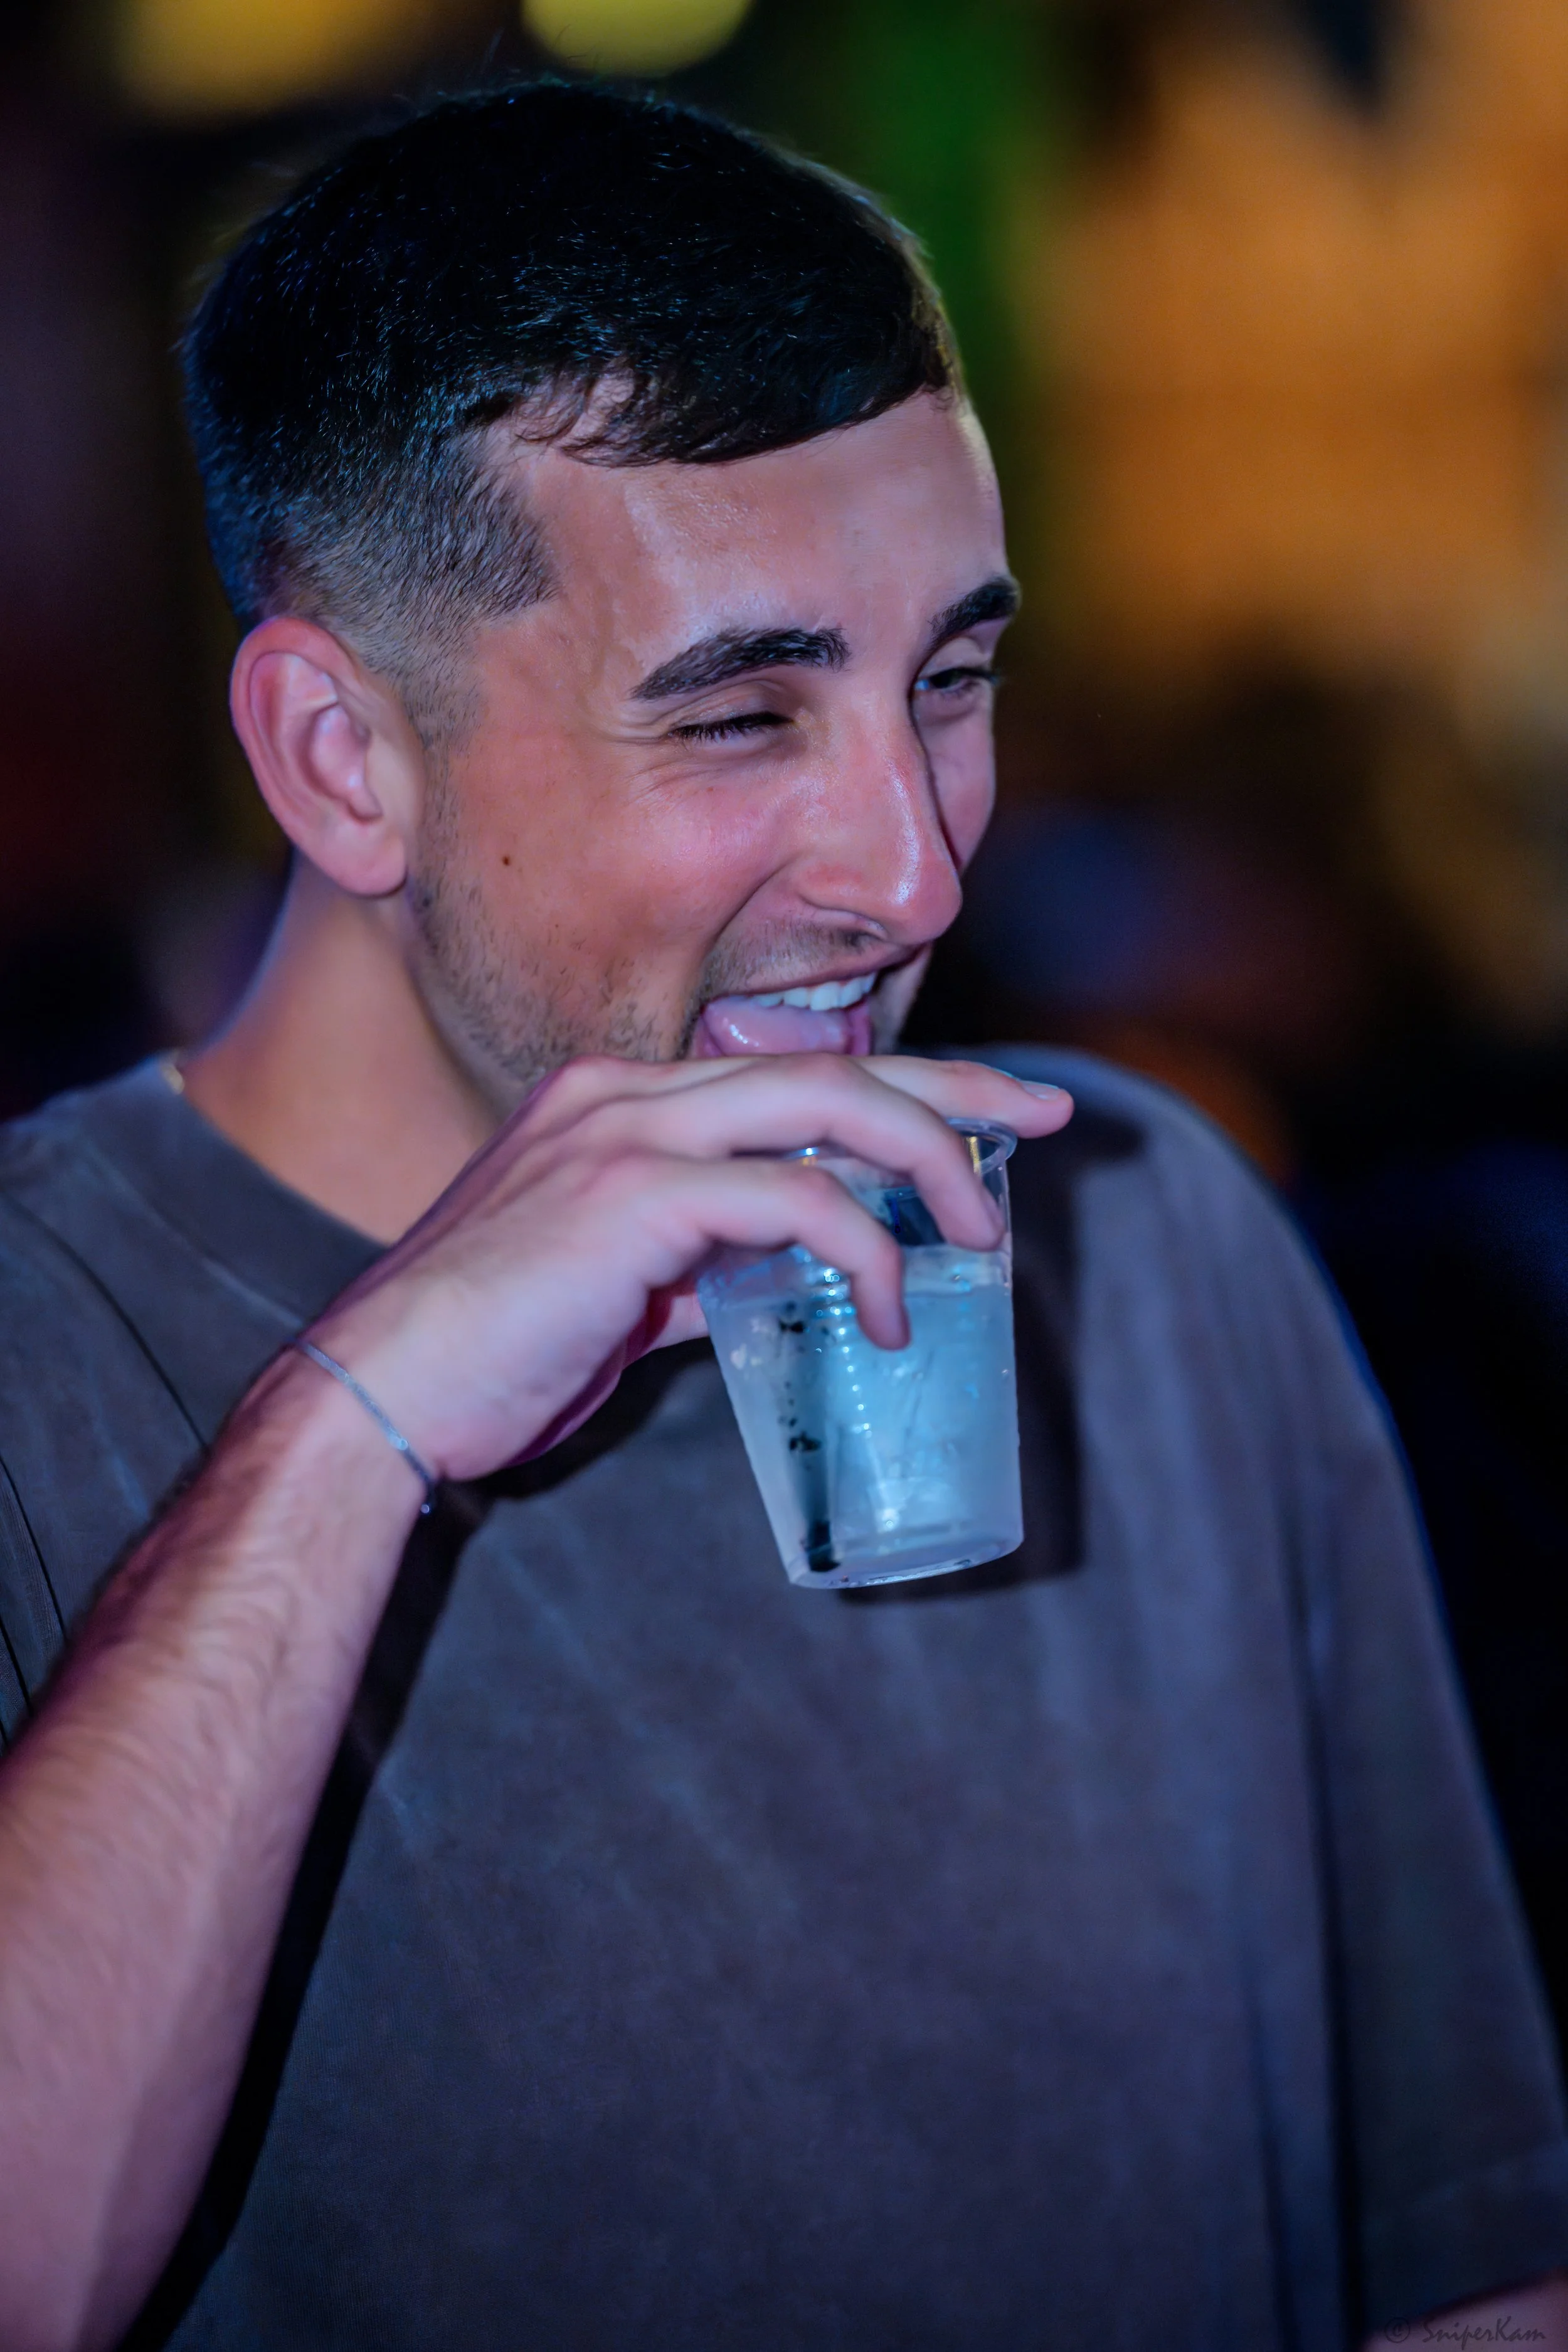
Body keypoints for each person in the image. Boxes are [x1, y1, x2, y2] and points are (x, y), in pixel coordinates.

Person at [0, 82, 1564, 2352]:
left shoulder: (1144, 1236)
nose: (915, 868)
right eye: (741, 718)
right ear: (346, 757)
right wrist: (352, 1418)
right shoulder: (43, 1336)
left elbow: (1468, 2263)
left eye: (949, 676)